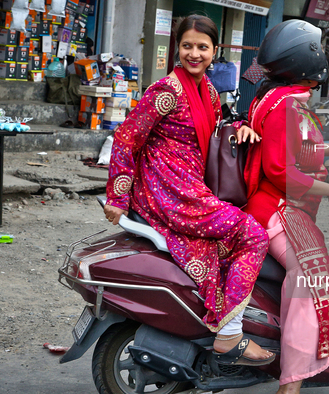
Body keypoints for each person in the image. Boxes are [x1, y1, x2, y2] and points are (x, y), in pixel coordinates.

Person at [103, 15, 274, 366]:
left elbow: (215, 129)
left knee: (232, 238)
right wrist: (117, 197)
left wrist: (241, 127)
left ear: (215, 50)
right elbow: (126, 138)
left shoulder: (207, 90)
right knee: (254, 236)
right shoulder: (167, 91)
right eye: (187, 46)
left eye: (202, 47)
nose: (194, 54)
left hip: (191, 188)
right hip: (170, 193)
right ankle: (230, 335)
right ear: (177, 47)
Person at [243, 20, 329, 394]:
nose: (324, 56)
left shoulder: (281, 96)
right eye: (319, 49)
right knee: (311, 277)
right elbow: (282, 171)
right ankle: (291, 382)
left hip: (280, 204)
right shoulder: (285, 105)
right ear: (305, 58)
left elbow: (297, 150)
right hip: (277, 207)